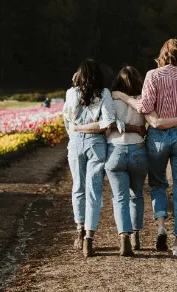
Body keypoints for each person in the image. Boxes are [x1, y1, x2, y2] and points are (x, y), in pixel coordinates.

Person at [75, 66, 177, 256]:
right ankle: (136, 235)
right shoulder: (142, 101)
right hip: (138, 152)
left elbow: (108, 127)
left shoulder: (111, 99)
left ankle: (124, 238)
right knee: (136, 195)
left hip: (115, 150)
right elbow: (146, 127)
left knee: (119, 198)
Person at [137, 39, 177, 256]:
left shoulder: (153, 76)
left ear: (162, 55)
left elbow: (145, 107)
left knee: (158, 184)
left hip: (157, 136)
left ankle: (161, 226)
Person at [62, 59, 116, 257]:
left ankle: (79, 230)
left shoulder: (71, 93)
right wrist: (91, 127)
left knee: (78, 188)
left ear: (79, 75)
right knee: (94, 191)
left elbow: (68, 121)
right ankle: (89, 239)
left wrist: (78, 130)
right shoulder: (104, 94)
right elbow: (108, 122)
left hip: (76, 143)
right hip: (97, 143)